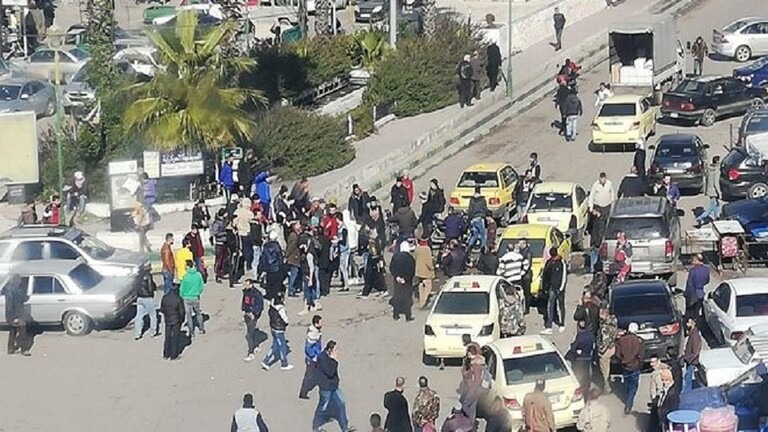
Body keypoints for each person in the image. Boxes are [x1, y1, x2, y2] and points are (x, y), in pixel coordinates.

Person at [313, 340, 350, 432]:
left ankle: (345, 428)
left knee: (342, 403)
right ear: (329, 351)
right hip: (326, 388)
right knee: (322, 408)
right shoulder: (323, 359)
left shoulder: (327, 357)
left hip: (333, 387)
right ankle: (316, 426)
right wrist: (334, 360)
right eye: (335, 350)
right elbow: (330, 372)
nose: (337, 352)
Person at [615, 322, 645, 414]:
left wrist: (622, 361)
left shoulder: (621, 340)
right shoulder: (639, 341)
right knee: (633, 386)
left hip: (625, 366)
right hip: (635, 366)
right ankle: (628, 405)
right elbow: (641, 355)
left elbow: (617, 354)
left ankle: (627, 397)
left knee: (627, 383)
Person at [261, 292, 293, 371]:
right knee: (282, 347)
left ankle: (266, 361)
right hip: (279, 329)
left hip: (273, 328)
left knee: (274, 346)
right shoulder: (280, 308)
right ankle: (284, 363)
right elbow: (285, 318)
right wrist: (287, 322)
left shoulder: (272, 306)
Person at [541, 248, 567, 335]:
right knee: (550, 306)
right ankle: (549, 326)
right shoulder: (549, 262)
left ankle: (562, 324)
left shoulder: (562, 262)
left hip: (560, 288)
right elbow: (545, 275)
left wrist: (561, 287)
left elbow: (564, 275)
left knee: (561, 306)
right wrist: (545, 288)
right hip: (552, 287)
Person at [3, 274, 31, 356]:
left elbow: (8, 306)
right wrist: (14, 317)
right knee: (22, 332)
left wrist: (10, 317)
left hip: (10, 315)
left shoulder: (8, 290)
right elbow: (24, 299)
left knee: (13, 331)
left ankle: (10, 348)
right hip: (17, 315)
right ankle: (24, 350)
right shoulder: (18, 291)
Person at [458, 344, 486, 423]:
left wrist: (471, 391)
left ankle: (469, 422)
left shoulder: (476, 365)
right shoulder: (478, 362)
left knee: (466, 405)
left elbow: (476, 380)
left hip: (473, 389)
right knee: (472, 407)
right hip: (476, 389)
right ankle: (471, 422)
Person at [567, 320, 595, 394]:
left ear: (578, 327)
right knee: (586, 374)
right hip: (588, 358)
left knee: (579, 374)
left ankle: (580, 389)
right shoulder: (591, 335)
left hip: (579, 359)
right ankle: (587, 388)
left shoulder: (579, 337)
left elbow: (573, 348)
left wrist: (572, 346)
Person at [390, 241, 416, 321]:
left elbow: (392, 267)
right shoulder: (410, 258)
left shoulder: (395, 257)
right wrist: (406, 278)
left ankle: (396, 315)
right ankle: (408, 316)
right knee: (407, 298)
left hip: (397, 281)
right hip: (407, 282)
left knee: (397, 297)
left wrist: (396, 276)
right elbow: (412, 270)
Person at [180, 259, 205, 337]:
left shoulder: (185, 277)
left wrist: (182, 295)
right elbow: (201, 286)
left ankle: (191, 332)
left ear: (188, 266)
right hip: (195, 297)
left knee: (189, 315)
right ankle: (201, 328)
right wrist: (198, 293)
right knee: (198, 313)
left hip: (186, 298)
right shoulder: (198, 275)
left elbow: (182, 289)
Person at [300, 315, 323, 399]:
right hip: (312, 359)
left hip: (317, 356)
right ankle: (303, 392)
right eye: (320, 322)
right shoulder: (313, 334)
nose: (322, 324)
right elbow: (308, 348)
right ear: (316, 324)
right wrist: (314, 356)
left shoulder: (315, 330)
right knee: (308, 376)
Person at [160, 283, 185, 360]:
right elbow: (182, 312)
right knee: (175, 337)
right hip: (176, 320)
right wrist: (182, 319)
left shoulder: (165, 297)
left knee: (167, 337)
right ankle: (174, 355)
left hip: (167, 319)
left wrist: (167, 314)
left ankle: (166, 354)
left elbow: (162, 309)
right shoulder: (178, 299)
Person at [241, 279, 265, 362]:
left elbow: (260, 306)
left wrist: (254, 313)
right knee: (251, 331)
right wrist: (244, 310)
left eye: (247, 285)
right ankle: (256, 345)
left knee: (249, 334)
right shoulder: (246, 292)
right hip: (247, 314)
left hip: (253, 316)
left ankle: (250, 353)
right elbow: (244, 302)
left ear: (251, 285)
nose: (245, 286)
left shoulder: (257, 294)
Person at [596, 308, 618, 393]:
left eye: (600, 314)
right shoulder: (613, 320)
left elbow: (604, 340)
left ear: (604, 315)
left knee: (604, 370)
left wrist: (601, 352)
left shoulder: (605, 327)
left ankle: (607, 387)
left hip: (606, 350)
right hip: (612, 346)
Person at [134, 267, 159, 341]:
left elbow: (135, 287)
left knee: (139, 316)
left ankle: (137, 334)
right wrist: (152, 293)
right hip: (148, 297)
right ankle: (153, 332)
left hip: (139, 298)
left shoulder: (137, 277)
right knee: (153, 315)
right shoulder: (148, 277)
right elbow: (152, 287)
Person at [696, 156, 721, 227]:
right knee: (711, 206)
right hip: (714, 191)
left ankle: (717, 217)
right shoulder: (716, 171)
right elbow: (716, 183)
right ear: (717, 162)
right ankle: (700, 218)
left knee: (716, 204)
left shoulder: (709, 170)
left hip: (709, 190)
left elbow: (706, 180)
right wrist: (719, 192)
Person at [685, 254, 709, 322]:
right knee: (697, 312)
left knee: (690, 313)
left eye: (693, 260)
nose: (692, 262)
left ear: (696, 260)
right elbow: (707, 281)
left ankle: (690, 325)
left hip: (693, 294)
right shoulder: (706, 270)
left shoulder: (693, 271)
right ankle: (697, 324)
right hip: (701, 294)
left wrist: (686, 294)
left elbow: (689, 284)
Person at [682, 317, 702, 393]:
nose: (687, 324)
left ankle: (687, 394)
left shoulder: (695, 336)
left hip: (691, 362)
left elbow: (695, 351)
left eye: (689, 322)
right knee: (688, 379)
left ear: (694, 323)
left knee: (688, 380)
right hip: (690, 361)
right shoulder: (692, 333)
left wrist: (688, 359)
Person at [415, 237, 436, 309]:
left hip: (419, 271)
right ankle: (424, 302)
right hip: (426, 272)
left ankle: (421, 302)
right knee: (428, 287)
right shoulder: (427, 249)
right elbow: (428, 262)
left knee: (421, 287)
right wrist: (432, 268)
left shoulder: (417, 248)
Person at [518, 239, 534, 314]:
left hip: (526, 276)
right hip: (521, 275)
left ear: (524, 244)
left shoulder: (528, 252)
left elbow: (528, 264)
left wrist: (522, 272)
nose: (519, 245)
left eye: (520, 244)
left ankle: (527, 308)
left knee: (527, 293)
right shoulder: (520, 251)